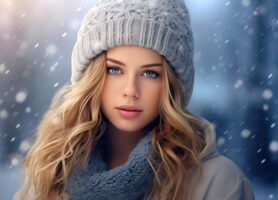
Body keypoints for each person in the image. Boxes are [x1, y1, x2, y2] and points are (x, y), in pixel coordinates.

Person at [14, 0, 255, 199]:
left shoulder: (219, 184)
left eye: (150, 73)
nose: (131, 90)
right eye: (114, 70)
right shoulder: (49, 176)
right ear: (91, 76)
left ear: (172, 85)